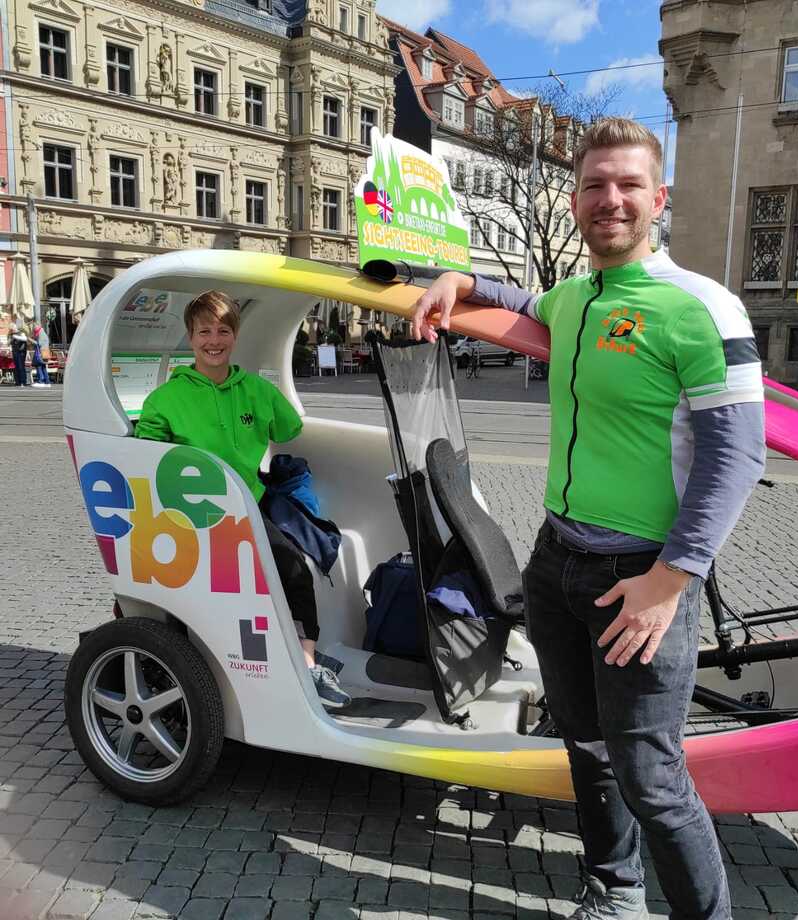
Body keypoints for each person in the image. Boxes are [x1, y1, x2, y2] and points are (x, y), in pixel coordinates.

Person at [410, 118, 765, 920]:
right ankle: (615, 889)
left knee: (652, 773)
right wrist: (455, 281)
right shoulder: (577, 298)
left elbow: (738, 456)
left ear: (658, 199)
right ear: (574, 200)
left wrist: (671, 581)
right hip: (556, 560)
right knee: (585, 741)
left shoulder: (702, 308)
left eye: (628, 185)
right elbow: (516, 299)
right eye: (596, 185)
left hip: (641, 575)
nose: (611, 199)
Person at [135, 290, 350, 709]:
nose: (213, 340)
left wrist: (267, 398)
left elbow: (288, 429)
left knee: (296, 562)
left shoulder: (253, 388)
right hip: (195, 513)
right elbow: (146, 458)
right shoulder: (164, 400)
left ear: (235, 335)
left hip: (248, 502)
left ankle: (305, 660)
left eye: (223, 330)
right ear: (190, 336)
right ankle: (284, 666)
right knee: (271, 568)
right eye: (204, 331)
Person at [10, 317, 32, 387]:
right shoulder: (12, 335)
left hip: (21, 352)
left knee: (21, 366)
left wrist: (15, 337)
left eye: (12, 329)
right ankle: (18, 381)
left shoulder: (21, 333)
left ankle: (23, 381)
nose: (11, 330)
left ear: (15, 328)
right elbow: (12, 343)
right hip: (15, 352)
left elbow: (25, 339)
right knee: (16, 367)